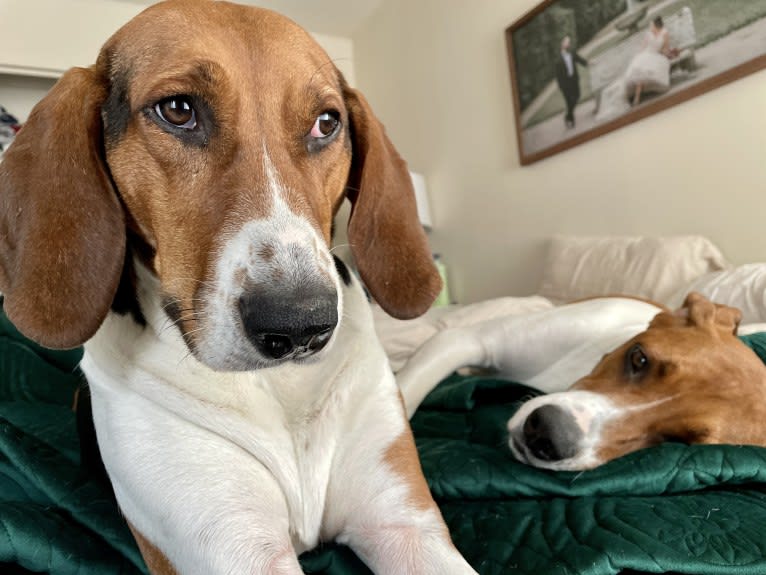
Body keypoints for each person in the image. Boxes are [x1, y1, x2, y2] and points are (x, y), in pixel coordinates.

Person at [624, 16, 671, 106]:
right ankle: (636, 97)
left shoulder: (664, 33)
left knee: (646, 69)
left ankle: (638, 96)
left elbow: (666, 49)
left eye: (652, 25)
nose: (650, 27)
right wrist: (639, 55)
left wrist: (667, 53)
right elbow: (643, 47)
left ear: (656, 26)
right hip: (646, 54)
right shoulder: (648, 34)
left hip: (656, 56)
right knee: (640, 68)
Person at [555, 35, 588, 129]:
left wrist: (588, 63)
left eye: (569, 42)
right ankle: (571, 121)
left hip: (574, 80)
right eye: (566, 42)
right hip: (565, 84)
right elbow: (558, 75)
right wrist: (561, 86)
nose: (568, 43)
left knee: (577, 96)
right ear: (562, 43)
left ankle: (567, 116)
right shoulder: (558, 59)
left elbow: (580, 60)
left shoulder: (572, 53)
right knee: (569, 102)